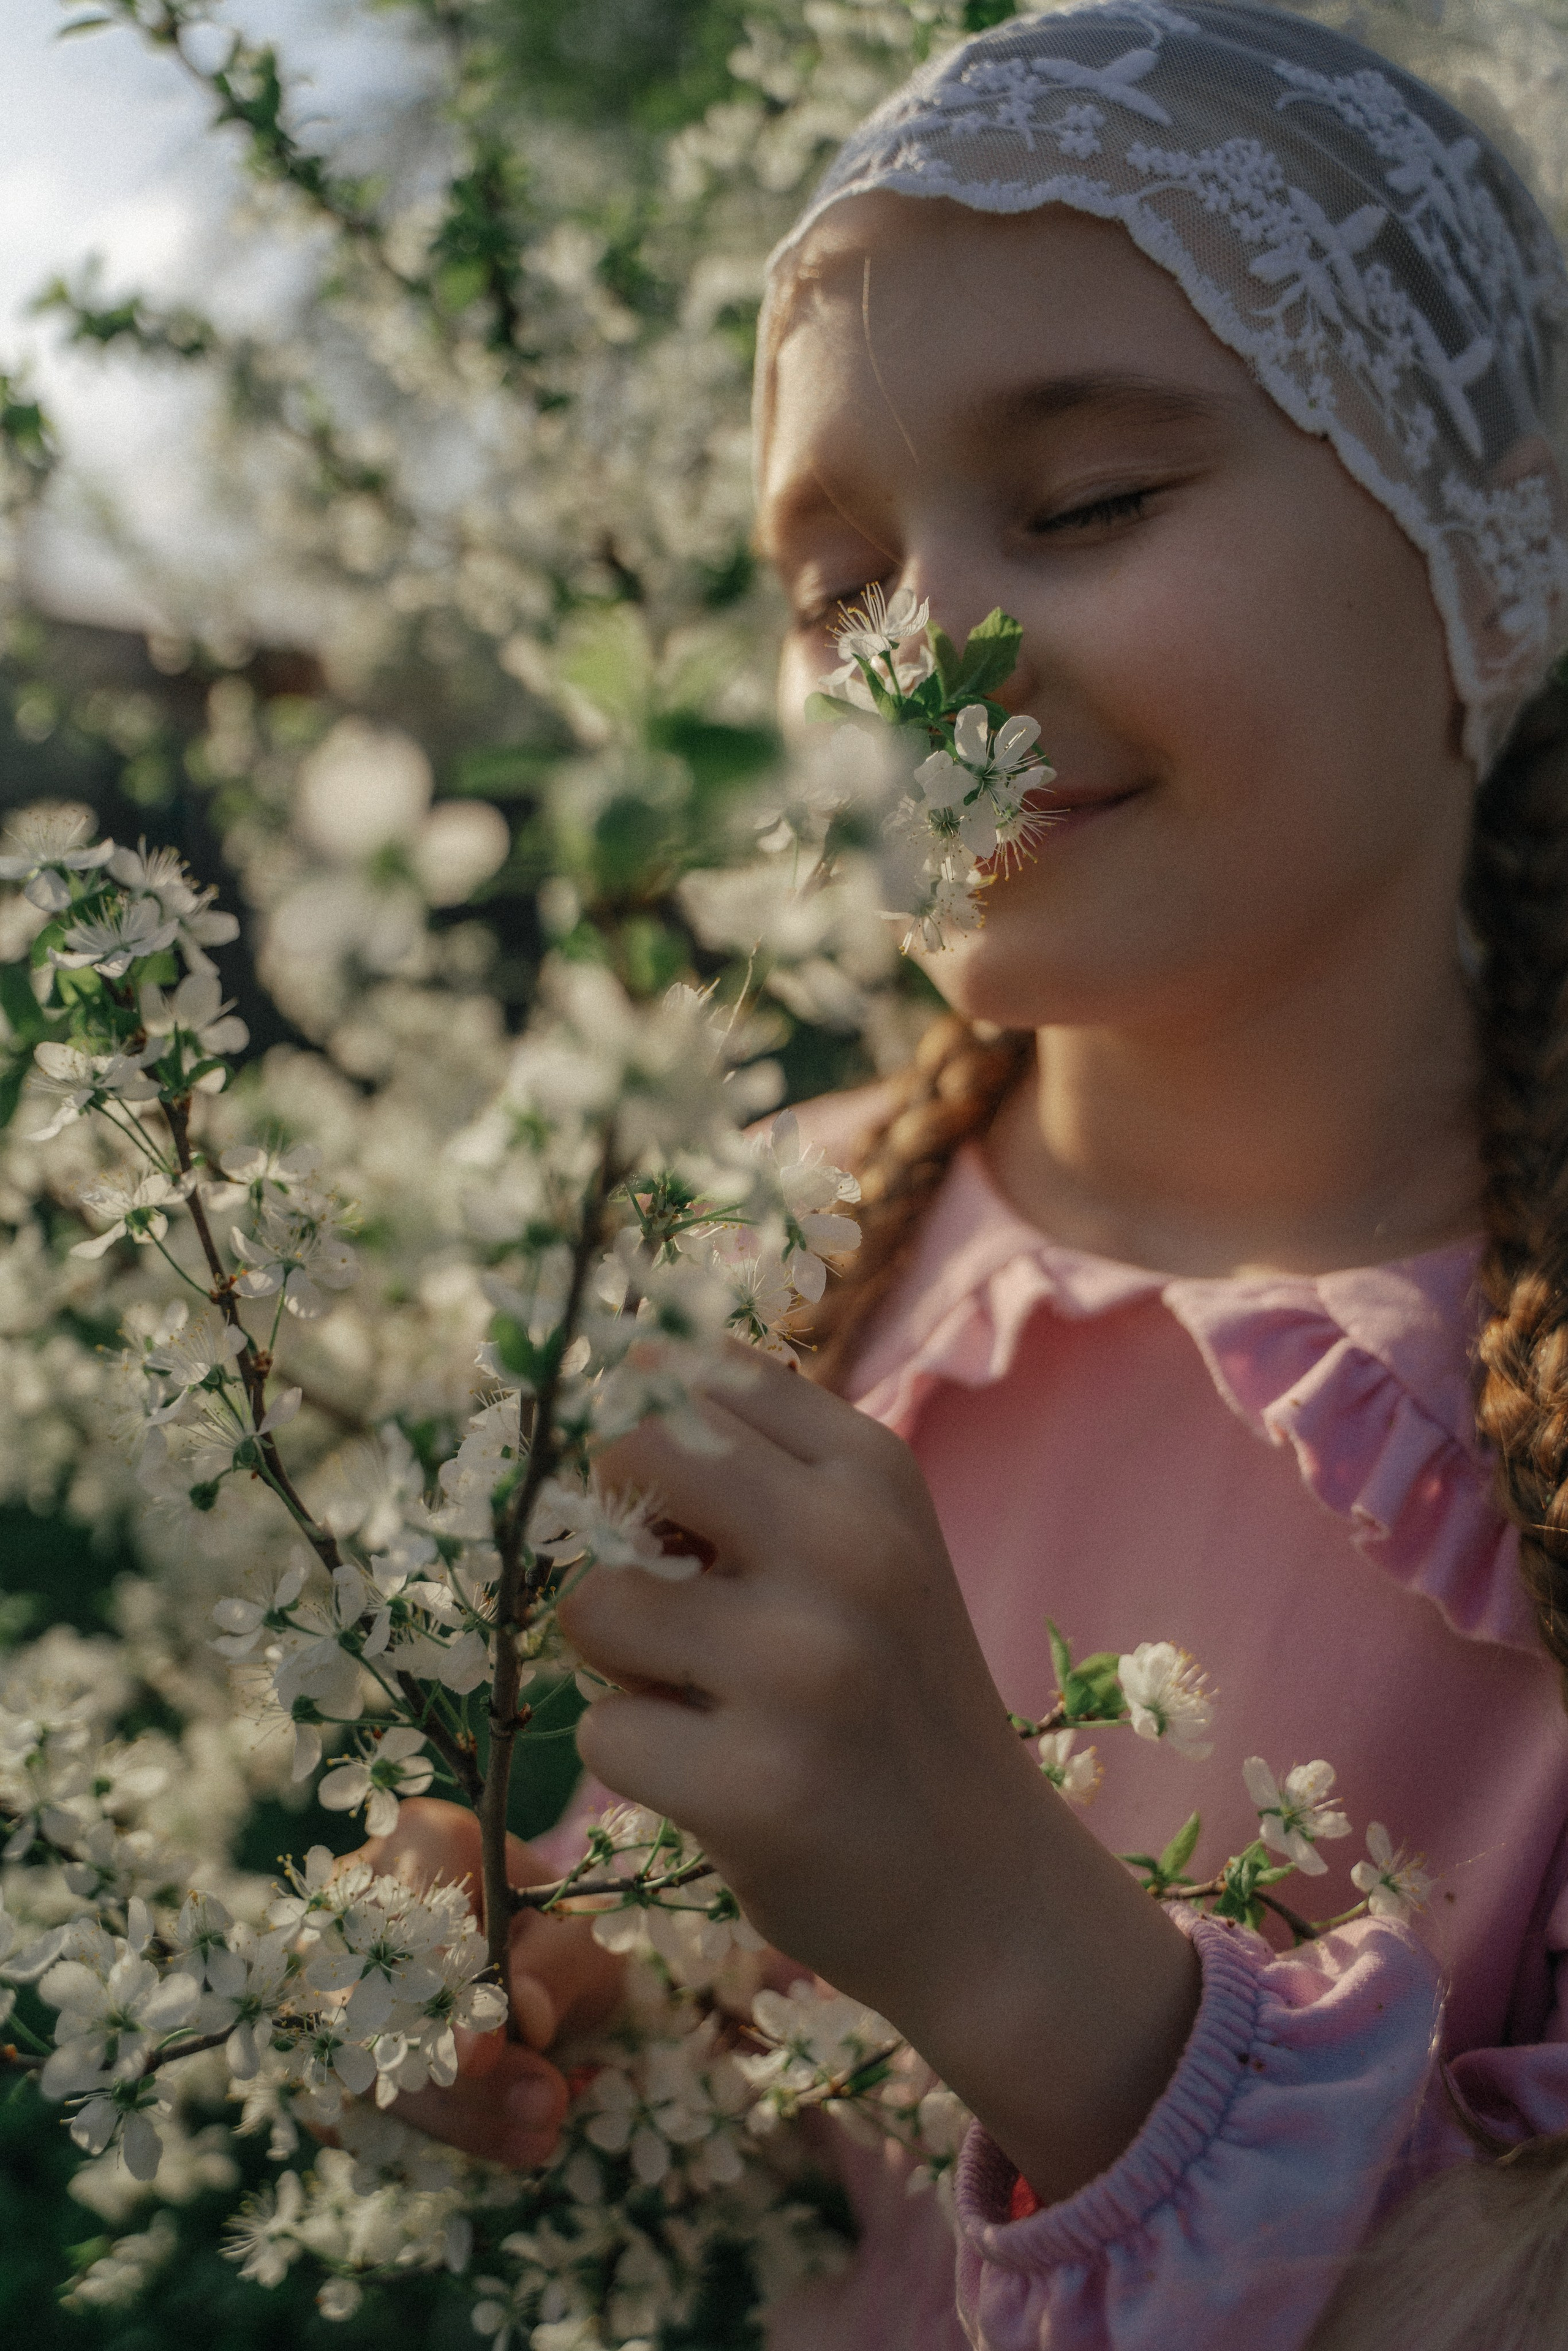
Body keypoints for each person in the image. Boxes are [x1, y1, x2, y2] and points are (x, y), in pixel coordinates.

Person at [361, 6, 1568, 2342]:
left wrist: (1022, 1950)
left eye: (1091, 502)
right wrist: (586, 2014)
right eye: (833, 592)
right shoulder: (753, 1250)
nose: (922, 677)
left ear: (1492, 543)